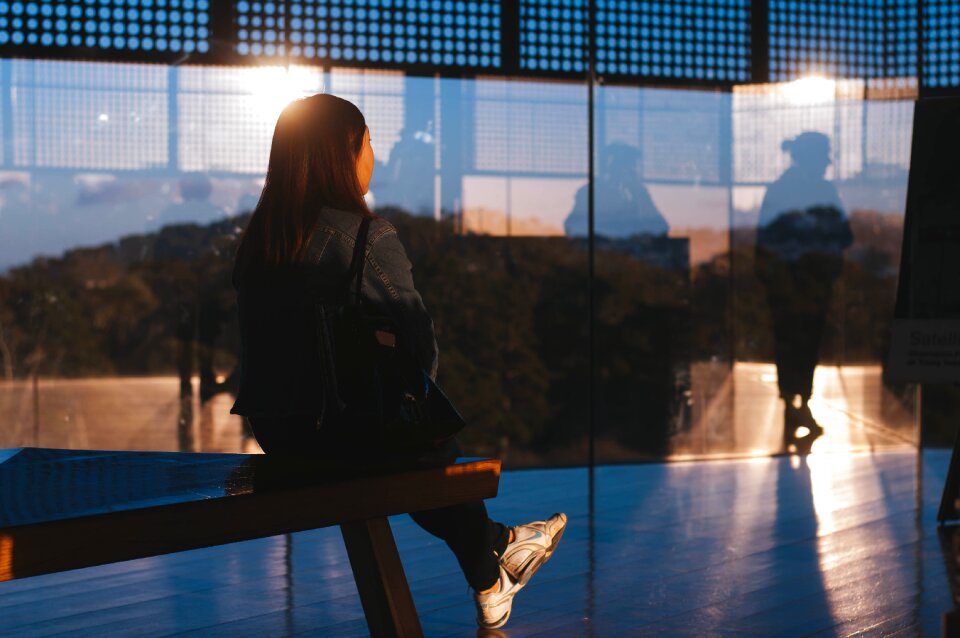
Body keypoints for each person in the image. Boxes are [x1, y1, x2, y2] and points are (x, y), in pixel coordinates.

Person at [229, 93, 566, 630]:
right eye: (368, 141)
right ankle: (494, 558)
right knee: (423, 443)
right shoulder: (364, 235)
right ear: (344, 153)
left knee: (404, 449)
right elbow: (419, 350)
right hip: (343, 435)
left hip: (280, 435)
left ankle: (500, 554)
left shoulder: (262, 242)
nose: (374, 155)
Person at [755, 132, 853, 453]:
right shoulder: (816, 191)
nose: (828, 161)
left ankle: (796, 405)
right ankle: (797, 405)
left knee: (796, 345)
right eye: (823, 155)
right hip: (798, 286)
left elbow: (842, 233)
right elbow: (843, 233)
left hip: (796, 287)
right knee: (801, 344)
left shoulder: (789, 190)